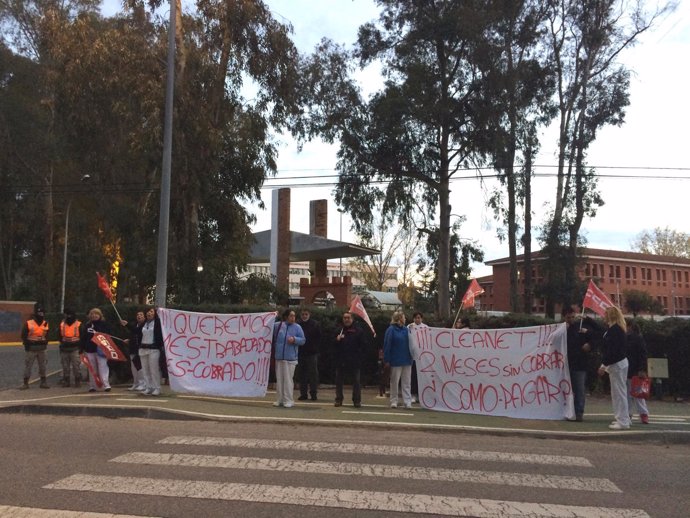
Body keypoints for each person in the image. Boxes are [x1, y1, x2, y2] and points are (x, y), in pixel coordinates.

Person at [598, 306, 631, 430]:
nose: (604, 316)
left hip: (617, 364)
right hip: (619, 363)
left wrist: (603, 364)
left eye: (606, 314)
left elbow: (612, 350)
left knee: (619, 394)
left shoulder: (615, 330)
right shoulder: (616, 329)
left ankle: (622, 421)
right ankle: (623, 418)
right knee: (619, 393)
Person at [563, 307, 592, 421]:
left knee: (579, 389)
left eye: (572, 317)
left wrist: (590, 345)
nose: (571, 319)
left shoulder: (581, 327)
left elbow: (595, 336)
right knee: (566, 390)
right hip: (565, 364)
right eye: (568, 317)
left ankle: (578, 412)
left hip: (580, 363)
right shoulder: (563, 329)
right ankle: (567, 411)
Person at [272, 309, 305, 408]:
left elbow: (303, 340)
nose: (293, 318)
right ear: (286, 316)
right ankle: (280, 399)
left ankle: (289, 400)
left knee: (288, 380)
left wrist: (295, 339)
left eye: (294, 316)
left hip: (290, 358)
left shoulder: (297, 327)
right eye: (291, 316)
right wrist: (272, 316)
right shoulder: (277, 325)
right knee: (280, 379)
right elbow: (268, 328)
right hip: (279, 357)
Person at [334, 312, 366, 408]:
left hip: (354, 360)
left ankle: (357, 401)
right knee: (339, 381)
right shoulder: (339, 330)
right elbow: (332, 344)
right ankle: (338, 400)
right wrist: (336, 340)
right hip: (341, 360)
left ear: (352, 319)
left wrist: (358, 356)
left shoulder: (358, 331)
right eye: (344, 318)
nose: (346, 320)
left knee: (356, 381)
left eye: (348, 318)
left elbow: (363, 345)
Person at [384, 311, 413, 409]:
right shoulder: (391, 330)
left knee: (407, 382)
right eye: (404, 317)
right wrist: (387, 359)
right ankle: (394, 400)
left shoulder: (406, 330)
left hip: (407, 359)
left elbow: (412, 344)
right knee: (394, 381)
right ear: (399, 318)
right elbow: (387, 345)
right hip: (395, 360)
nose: (405, 319)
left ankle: (407, 401)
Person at [80, 308, 113, 392]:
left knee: (103, 367)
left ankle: (106, 384)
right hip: (90, 349)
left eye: (96, 314)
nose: (94, 316)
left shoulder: (104, 324)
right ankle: (93, 386)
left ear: (100, 315)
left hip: (101, 349)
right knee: (92, 369)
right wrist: (81, 348)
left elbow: (108, 335)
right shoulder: (87, 325)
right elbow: (83, 337)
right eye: (92, 314)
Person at [20, 302, 50, 389]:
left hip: (42, 349)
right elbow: (24, 335)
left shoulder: (45, 323)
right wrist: (27, 345)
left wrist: (45, 342)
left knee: (43, 366)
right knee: (28, 366)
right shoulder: (29, 323)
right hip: (31, 349)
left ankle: (43, 382)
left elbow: (47, 334)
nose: (41, 315)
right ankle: (25, 383)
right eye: (39, 313)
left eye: (42, 313)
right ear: (36, 314)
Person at [626, 320, 650, 424]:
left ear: (629, 327)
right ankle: (643, 414)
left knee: (629, 393)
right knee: (638, 393)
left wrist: (641, 368)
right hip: (635, 369)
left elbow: (642, 354)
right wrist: (642, 368)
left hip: (630, 369)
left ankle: (629, 414)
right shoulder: (638, 338)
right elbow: (643, 354)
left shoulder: (630, 338)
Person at [136, 307, 164, 396]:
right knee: (145, 369)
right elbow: (136, 331)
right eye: (147, 312)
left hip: (153, 349)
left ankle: (157, 388)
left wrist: (160, 345)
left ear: (155, 313)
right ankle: (148, 387)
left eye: (151, 311)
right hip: (143, 348)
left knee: (154, 369)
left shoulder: (158, 323)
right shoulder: (143, 324)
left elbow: (161, 334)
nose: (149, 313)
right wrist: (126, 325)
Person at [298, 308, 321, 401]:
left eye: (306, 314)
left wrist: (315, 348)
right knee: (302, 374)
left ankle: (313, 393)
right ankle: (303, 394)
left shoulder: (315, 324)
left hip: (312, 353)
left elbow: (319, 337)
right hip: (301, 352)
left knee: (313, 374)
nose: (304, 316)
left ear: (309, 315)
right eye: (303, 314)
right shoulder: (297, 324)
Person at [120, 310, 146, 391]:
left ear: (144, 317)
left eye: (141, 315)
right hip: (133, 348)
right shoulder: (135, 325)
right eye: (138, 314)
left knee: (140, 367)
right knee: (133, 367)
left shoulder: (145, 325)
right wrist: (129, 340)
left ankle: (143, 383)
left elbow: (138, 332)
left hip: (141, 348)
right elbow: (133, 334)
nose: (139, 316)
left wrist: (127, 324)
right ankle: (136, 383)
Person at [58, 308, 82, 388]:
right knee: (65, 366)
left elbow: (82, 336)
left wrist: (80, 347)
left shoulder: (78, 324)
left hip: (75, 348)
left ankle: (77, 380)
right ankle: (66, 381)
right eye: (67, 314)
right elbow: (59, 336)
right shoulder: (62, 324)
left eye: (70, 314)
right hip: (64, 348)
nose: (68, 316)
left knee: (76, 366)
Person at [407, 311, 428, 403]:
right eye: (416, 318)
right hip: (413, 356)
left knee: (422, 376)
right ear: (413, 318)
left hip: (422, 357)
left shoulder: (425, 327)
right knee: (413, 376)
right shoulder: (409, 327)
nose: (417, 319)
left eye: (419, 317)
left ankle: (421, 395)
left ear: (422, 318)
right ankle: (413, 394)